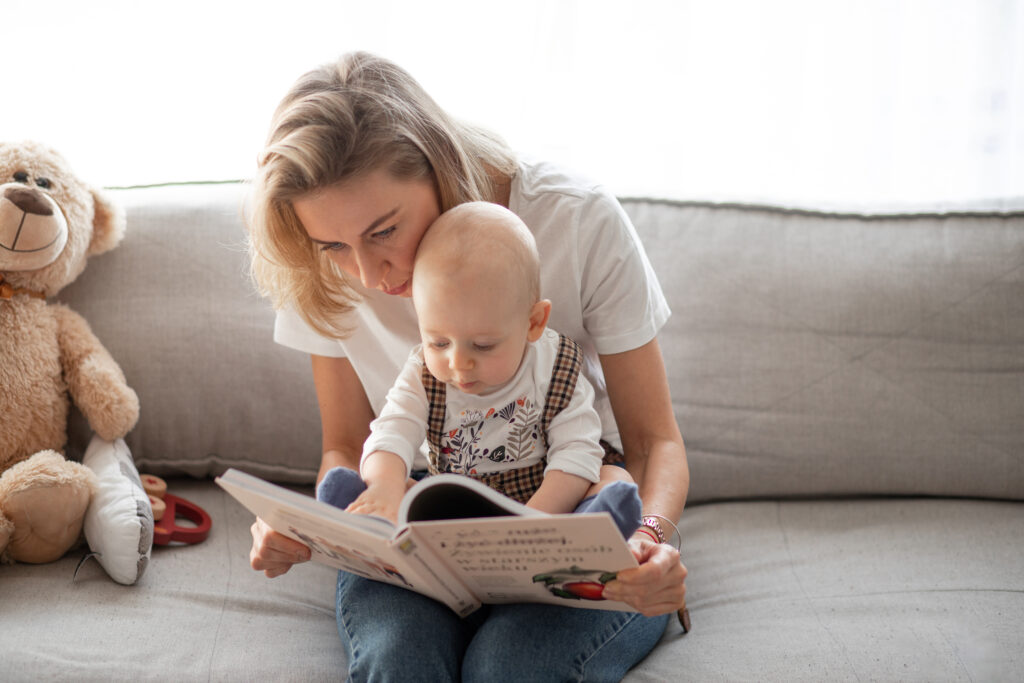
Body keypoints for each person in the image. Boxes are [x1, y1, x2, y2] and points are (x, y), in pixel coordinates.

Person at [247, 51, 689, 682]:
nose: (372, 276)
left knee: (508, 668)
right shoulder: (319, 268)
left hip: (573, 519)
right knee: (399, 662)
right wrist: (311, 529)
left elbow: (655, 442)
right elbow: (345, 447)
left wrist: (649, 536)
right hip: (419, 530)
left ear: (439, 166)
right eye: (334, 247)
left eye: (383, 231)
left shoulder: (577, 218)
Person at [316, 201, 641, 538]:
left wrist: (530, 523)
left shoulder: (555, 368)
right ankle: (364, 511)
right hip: (455, 505)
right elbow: (391, 432)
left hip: (543, 500)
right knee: (396, 487)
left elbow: (576, 454)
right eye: (439, 342)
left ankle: (601, 519)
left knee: (612, 478)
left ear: (533, 323)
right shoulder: (424, 376)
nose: (458, 363)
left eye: (483, 345)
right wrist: (384, 487)